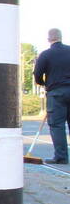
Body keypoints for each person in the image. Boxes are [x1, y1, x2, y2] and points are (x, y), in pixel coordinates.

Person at [34, 28, 70, 164]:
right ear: (61, 37)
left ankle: (61, 157)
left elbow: (37, 75)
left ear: (49, 39)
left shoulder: (46, 55)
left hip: (56, 93)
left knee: (57, 125)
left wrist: (44, 84)